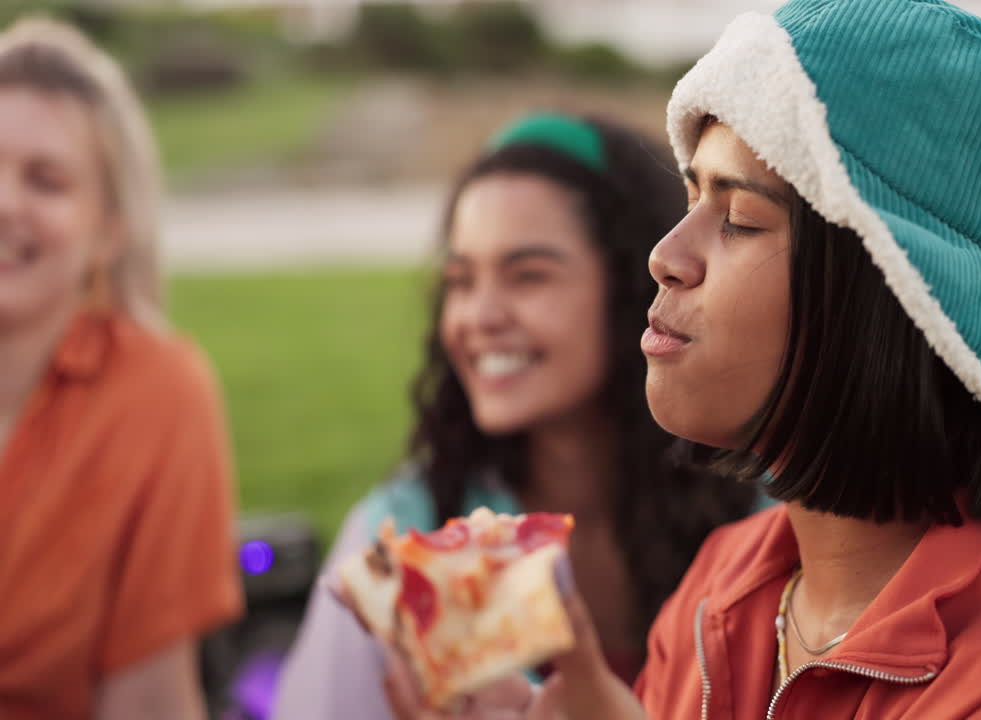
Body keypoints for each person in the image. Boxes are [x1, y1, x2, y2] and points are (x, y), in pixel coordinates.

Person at [379, 1, 981, 718]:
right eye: (691, 197)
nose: (665, 256)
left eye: (738, 218)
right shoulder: (722, 591)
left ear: (888, 289)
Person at [271, 112, 761, 720]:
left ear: (638, 285)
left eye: (528, 276)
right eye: (460, 280)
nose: (479, 316)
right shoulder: (403, 542)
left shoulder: (772, 525)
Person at [0, 17, 244, 720]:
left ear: (109, 229)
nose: (5, 202)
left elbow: (149, 699)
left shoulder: (158, 394)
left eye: (46, 180)